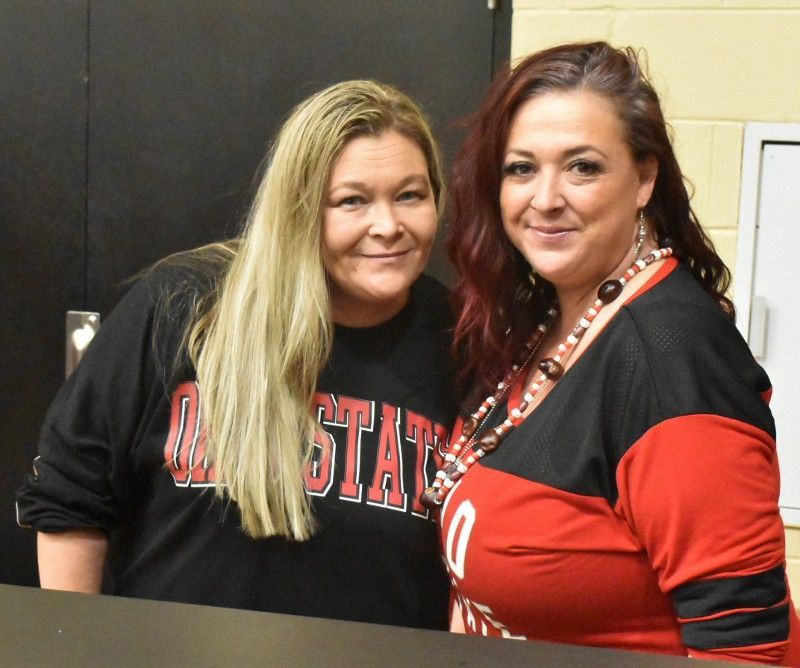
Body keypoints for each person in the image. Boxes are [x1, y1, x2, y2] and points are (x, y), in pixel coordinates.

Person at [17, 80, 457, 630]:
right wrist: (76, 648)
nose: (389, 226)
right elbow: (70, 494)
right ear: (299, 210)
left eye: (410, 195)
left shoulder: (463, 340)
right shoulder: (183, 305)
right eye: (352, 201)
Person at [427, 42, 800, 663]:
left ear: (644, 179)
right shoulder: (548, 318)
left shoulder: (669, 356)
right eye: (521, 169)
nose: (544, 198)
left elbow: (745, 646)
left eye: (583, 167)